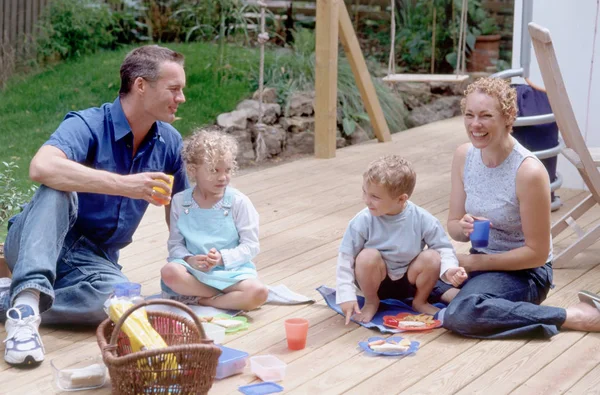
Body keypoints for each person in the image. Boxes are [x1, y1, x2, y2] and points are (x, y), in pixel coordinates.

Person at [0, 45, 188, 366]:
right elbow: (40, 167)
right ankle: (25, 313)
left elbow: (183, 209)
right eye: (174, 89)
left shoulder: (169, 142)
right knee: (59, 186)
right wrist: (125, 185)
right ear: (141, 85)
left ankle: (12, 297)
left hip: (94, 264)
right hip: (39, 239)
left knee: (124, 303)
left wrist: (189, 269)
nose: (181, 98)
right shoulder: (87, 124)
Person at [435, 77, 600, 338]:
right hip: (479, 260)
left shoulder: (528, 171)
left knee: (461, 315)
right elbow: (454, 227)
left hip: (525, 273)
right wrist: (463, 228)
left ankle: (573, 316)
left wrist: (476, 262)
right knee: (408, 270)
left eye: (486, 116)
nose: (475, 125)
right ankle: (474, 299)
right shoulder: (464, 156)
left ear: (508, 117)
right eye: (469, 115)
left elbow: (537, 253)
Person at [336, 155, 468, 324]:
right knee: (367, 256)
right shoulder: (362, 220)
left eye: (375, 197)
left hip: (409, 281)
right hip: (375, 281)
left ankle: (420, 301)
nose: (366, 200)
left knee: (432, 256)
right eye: (365, 192)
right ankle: (371, 302)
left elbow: (444, 248)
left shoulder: (422, 218)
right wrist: (346, 295)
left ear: (401, 199)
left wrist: (449, 269)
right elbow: (345, 257)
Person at [160, 129, 268, 311]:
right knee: (169, 272)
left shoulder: (238, 202)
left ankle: (205, 299)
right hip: (193, 271)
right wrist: (189, 258)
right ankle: (221, 297)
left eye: (228, 170)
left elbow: (251, 246)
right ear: (193, 170)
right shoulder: (180, 202)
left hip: (231, 273)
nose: (223, 177)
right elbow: (175, 244)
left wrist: (222, 259)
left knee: (259, 293)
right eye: (214, 170)